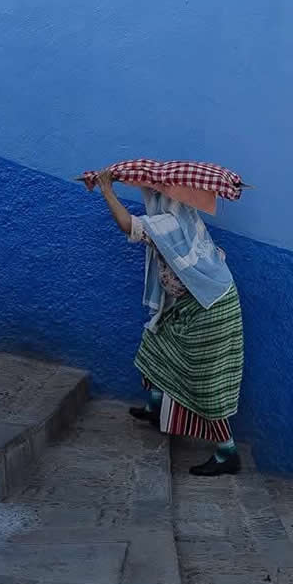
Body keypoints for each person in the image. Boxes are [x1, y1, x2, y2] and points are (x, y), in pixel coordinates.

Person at [92, 169, 244, 476]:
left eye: (154, 192)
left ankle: (227, 451)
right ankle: (155, 406)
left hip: (212, 308)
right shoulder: (183, 217)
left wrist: (107, 189)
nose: (150, 196)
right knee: (156, 343)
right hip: (198, 302)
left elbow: (128, 226)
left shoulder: (169, 223)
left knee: (205, 381)